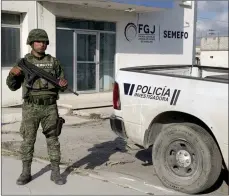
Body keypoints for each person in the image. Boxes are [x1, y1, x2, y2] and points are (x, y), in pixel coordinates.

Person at [6, 28, 68, 186]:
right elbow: (12, 86)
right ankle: (25, 172)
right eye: (39, 41)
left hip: (49, 108)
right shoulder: (24, 62)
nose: (42, 44)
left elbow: (61, 83)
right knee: (28, 141)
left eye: (44, 41)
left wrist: (63, 84)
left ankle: (55, 172)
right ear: (31, 43)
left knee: (53, 140)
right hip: (30, 107)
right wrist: (13, 75)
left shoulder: (54, 62)